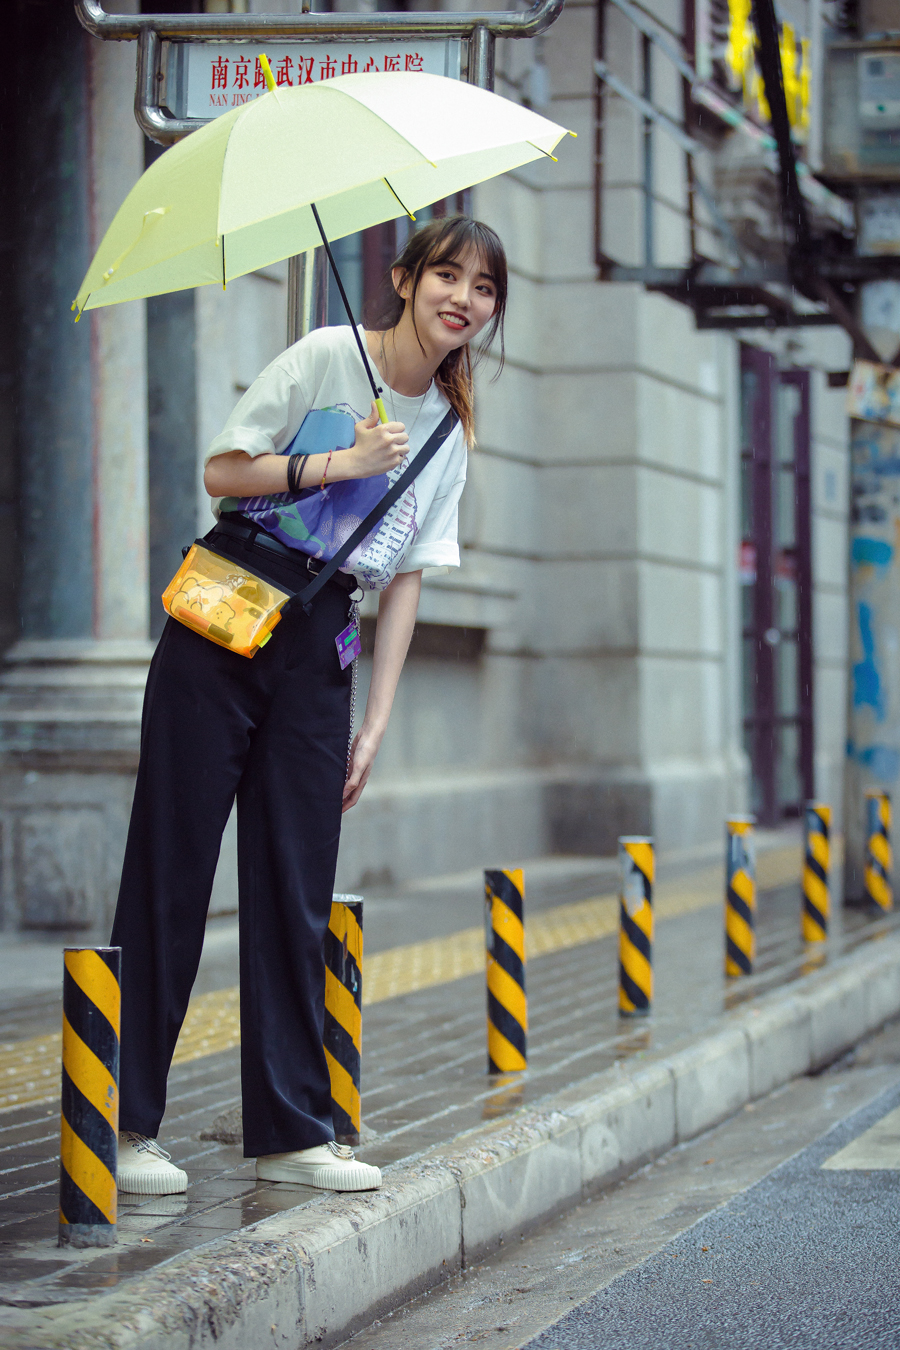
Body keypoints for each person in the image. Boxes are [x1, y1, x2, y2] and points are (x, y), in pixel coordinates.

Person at [110, 215, 508, 1196]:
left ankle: (291, 1130)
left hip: (324, 639)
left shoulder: (450, 429)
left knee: (295, 884)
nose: (463, 297)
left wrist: (375, 720)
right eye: (447, 275)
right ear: (407, 280)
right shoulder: (330, 355)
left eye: (484, 287)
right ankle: (119, 1125)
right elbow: (223, 471)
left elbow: (411, 576)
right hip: (230, 607)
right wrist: (337, 464)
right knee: (174, 868)